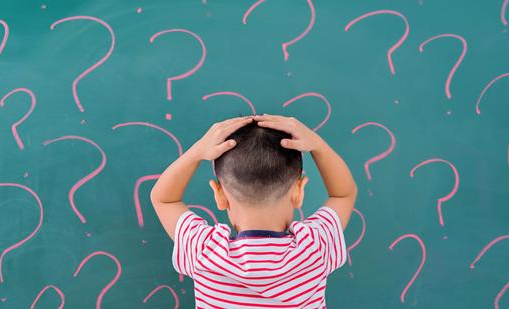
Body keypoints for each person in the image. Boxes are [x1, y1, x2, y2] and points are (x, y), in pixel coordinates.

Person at [150, 113, 358, 308]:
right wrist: (318, 145)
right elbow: (343, 194)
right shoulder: (314, 247)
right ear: (299, 191)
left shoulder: (204, 251)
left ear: (219, 195)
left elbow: (164, 200)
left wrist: (197, 151)